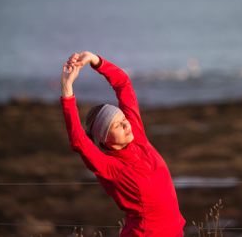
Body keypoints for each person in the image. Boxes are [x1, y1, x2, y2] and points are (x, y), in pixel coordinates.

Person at [60, 51, 186, 237]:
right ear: (104, 139)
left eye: (124, 117)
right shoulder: (110, 167)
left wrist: (96, 60)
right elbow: (79, 141)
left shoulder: (137, 135)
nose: (126, 124)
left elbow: (123, 84)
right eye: (117, 125)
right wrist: (67, 87)